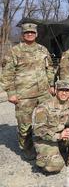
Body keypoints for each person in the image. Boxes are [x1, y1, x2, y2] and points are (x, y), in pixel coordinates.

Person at [0, 23, 55, 160]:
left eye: (32, 32)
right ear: (22, 35)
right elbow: (7, 74)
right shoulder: (14, 51)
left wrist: (51, 85)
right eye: (27, 33)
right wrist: (11, 93)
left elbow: (49, 68)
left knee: (45, 121)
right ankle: (27, 148)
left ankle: (43, 145)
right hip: (23, 94)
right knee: (24, 124)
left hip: (43, 92)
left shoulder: (43, 50)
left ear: (36, 34)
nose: (29, 34)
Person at [32, 80, 69, 173]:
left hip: (63, 136)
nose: (64, 93)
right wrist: (58, 136)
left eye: (67, 91)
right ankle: (45, 157)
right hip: (45, 139)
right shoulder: (44, 106)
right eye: (61, 90)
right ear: (56, 91)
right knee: (55, 166)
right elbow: (38, 130)